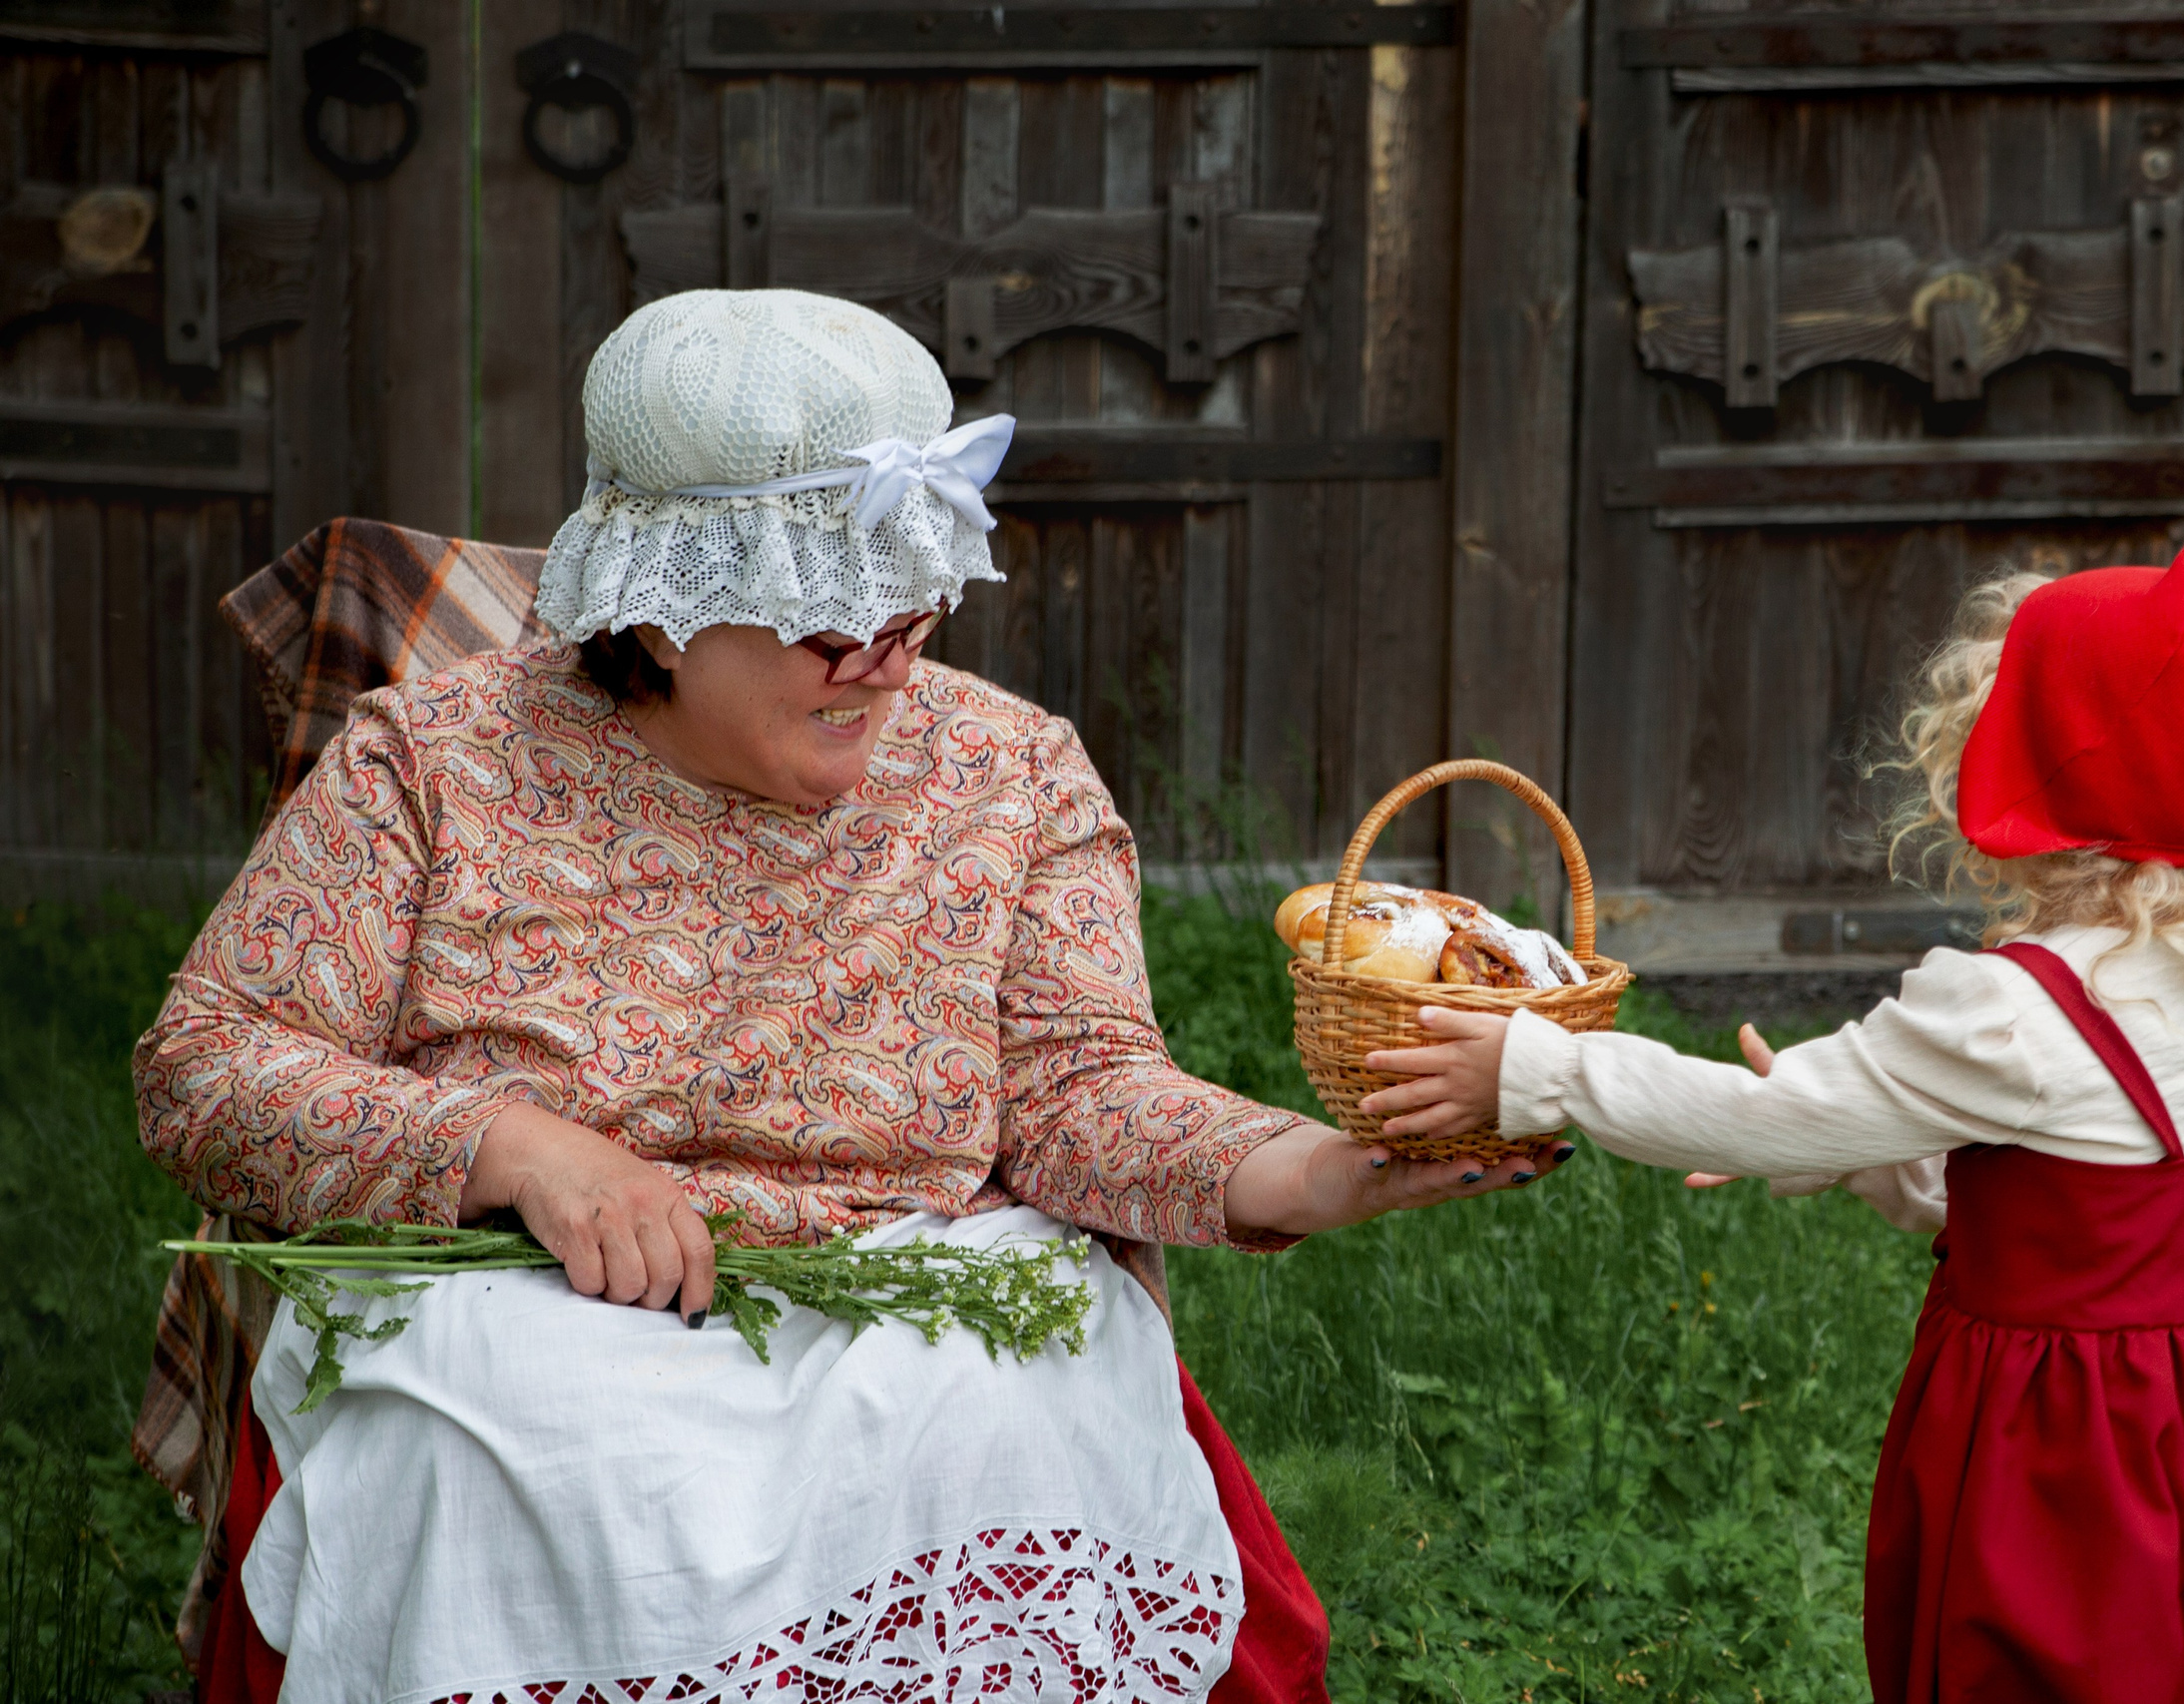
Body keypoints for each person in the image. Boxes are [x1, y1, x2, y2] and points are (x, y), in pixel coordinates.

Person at [134, 287, 1563, 1704]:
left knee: (1013, 1420)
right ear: (673, 611)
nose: (890, 659)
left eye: (917, 601)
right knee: (513, 1453)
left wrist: (1312, 1170)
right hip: (537, 1308)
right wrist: (515, 1150)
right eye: (833, 619)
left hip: (911, 1306)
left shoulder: (1010, 773)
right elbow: (204, 1061)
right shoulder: (435, 764)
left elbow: (1082, 1094)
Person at [1360, 537, 2184, 1704]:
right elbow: (2091, 1201)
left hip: (2045, 1433)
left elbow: (1762, 1121)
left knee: (1999, 1662)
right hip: (2182, 1415)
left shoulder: (2009, 1011)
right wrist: (1879, 1164)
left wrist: (1543, 1068)